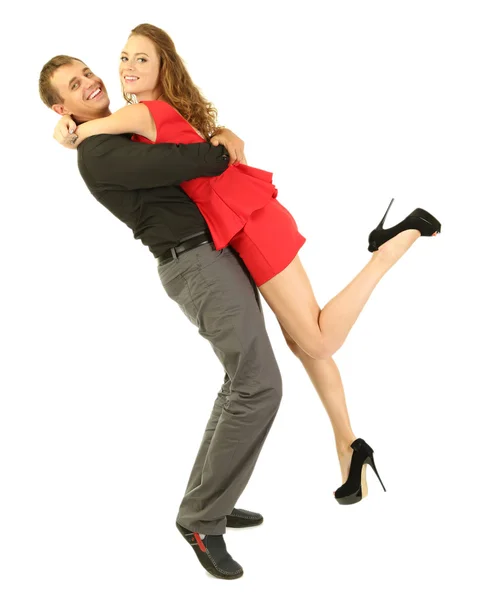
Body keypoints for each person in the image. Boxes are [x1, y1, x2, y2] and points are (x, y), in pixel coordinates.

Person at [53, 24, 441, 505]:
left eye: (141, 59)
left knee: (318, 338)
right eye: (123, 57)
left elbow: (90, 130)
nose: (126, 67)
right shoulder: (159, 111)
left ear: (162, 67)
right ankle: (350, 446)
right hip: (240, 222)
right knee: (304, 346)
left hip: (248, 225)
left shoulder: (141, 112)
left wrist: (68, 128)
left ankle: (391, 246)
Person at [39, 55, 281, 580]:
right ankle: (202, 519)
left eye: (87, 72)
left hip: (209, 256)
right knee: (259, 386)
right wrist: (217, 143)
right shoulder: (99, 152)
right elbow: (195, 160)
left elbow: (180, 130)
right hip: (194, 264)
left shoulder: (110, 131)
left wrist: (219, 130)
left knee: (240, 383)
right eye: (74, 86)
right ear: (62, 108)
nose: (91, 82)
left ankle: (207, 500)